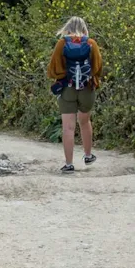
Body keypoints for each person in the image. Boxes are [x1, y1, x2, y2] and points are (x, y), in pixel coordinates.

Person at [47, 16, 103, 173]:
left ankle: (69, 164)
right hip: (87, 89)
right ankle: (88, 155)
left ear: (67, 28)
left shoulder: (62, 43)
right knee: (85, 122)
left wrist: (63, 76)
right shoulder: (91, 43)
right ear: (84, 28)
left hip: (67, 88)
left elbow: (52, 69)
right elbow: (98, 67)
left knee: (68, 128)